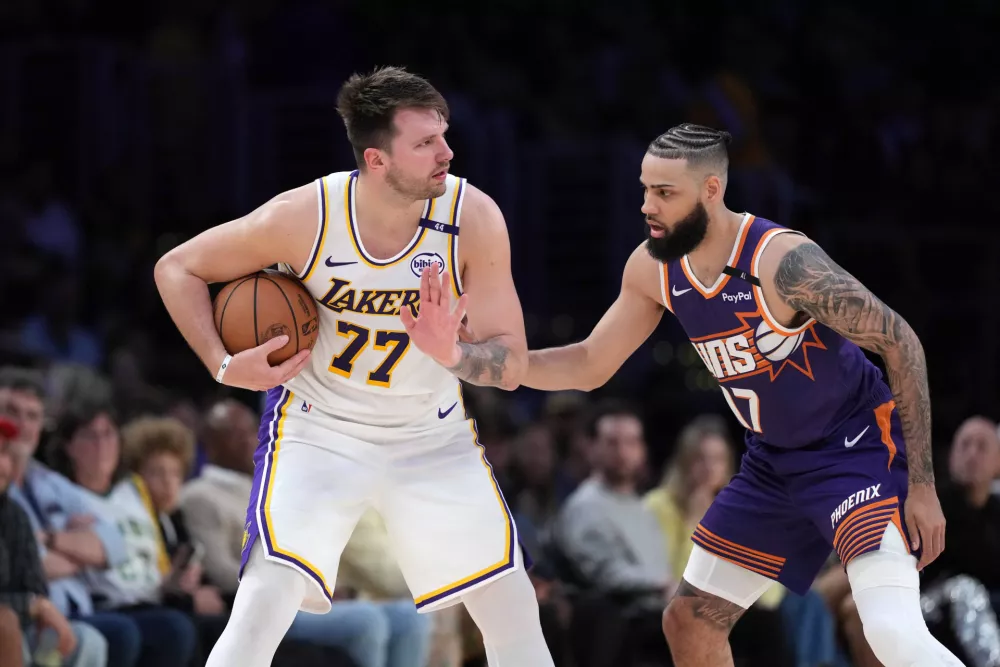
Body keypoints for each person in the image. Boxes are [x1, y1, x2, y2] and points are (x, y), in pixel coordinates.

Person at [155, 66, 553, 667]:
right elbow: (177, 268)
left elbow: (513, 362)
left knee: (512, 607)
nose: (447, 152)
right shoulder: (304, 218)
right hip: (322, 428)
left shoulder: (473, 218)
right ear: (377, 159)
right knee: (265, 600)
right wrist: (220, 363)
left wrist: (453, 353)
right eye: (425, 143)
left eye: (444, 134)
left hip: (429, 432)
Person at [522, 123, 961, 667]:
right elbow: (591, 363)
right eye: (644, 189)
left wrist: (922, 485)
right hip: (772, 463)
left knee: (890, 633)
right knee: (688, 619)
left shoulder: (783, 262)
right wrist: (504, 364)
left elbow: (901, 342)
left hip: (853, 448)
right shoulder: (655, 267)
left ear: (711, 190)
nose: (645, 206)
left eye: (664, 193)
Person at [0, 415, 108, 667]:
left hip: (26, 624)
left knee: (85, 640)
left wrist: (38, 606)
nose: (2, 465)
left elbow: (35, 585)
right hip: (9, 628)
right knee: (7, 630)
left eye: (4, 453)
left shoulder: (12, 513)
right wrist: (34, 606)